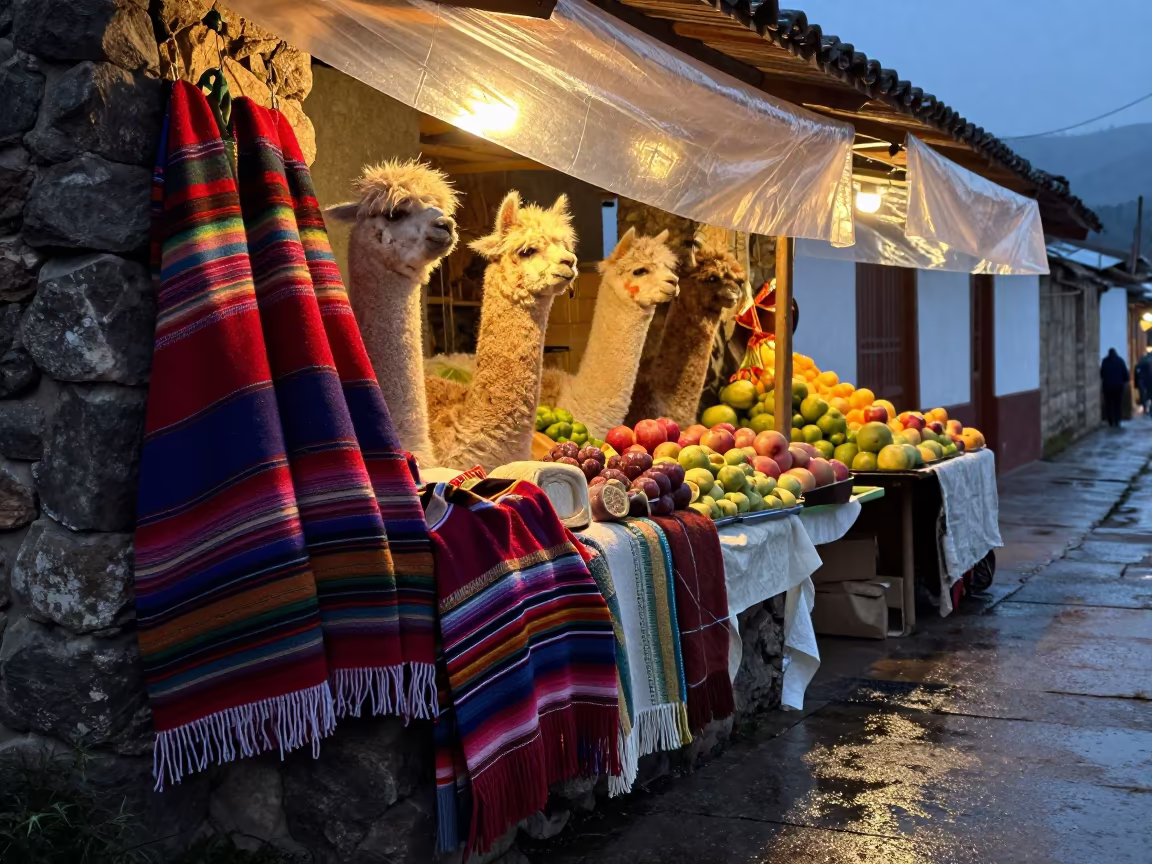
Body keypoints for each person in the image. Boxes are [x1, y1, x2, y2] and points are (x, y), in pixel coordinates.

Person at [1100, 348, 1129, 428]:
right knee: (1118, 404)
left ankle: (1110, 420)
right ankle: (1117, 420)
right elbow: (1125, 374)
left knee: (1109, 404)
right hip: (1118, 386)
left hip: (1107, 386)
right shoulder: (1120, 361)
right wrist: (1124, 381)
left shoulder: (1105, 361)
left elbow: (1102, 373)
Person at [1135, 351, 1152, 416]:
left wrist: (1136, 383)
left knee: (1145, 396)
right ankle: (1150, 409)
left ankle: (1145, 408)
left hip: (1143, 381)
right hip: (1149, 381)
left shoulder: (1142, 360)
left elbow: (1137, 370)